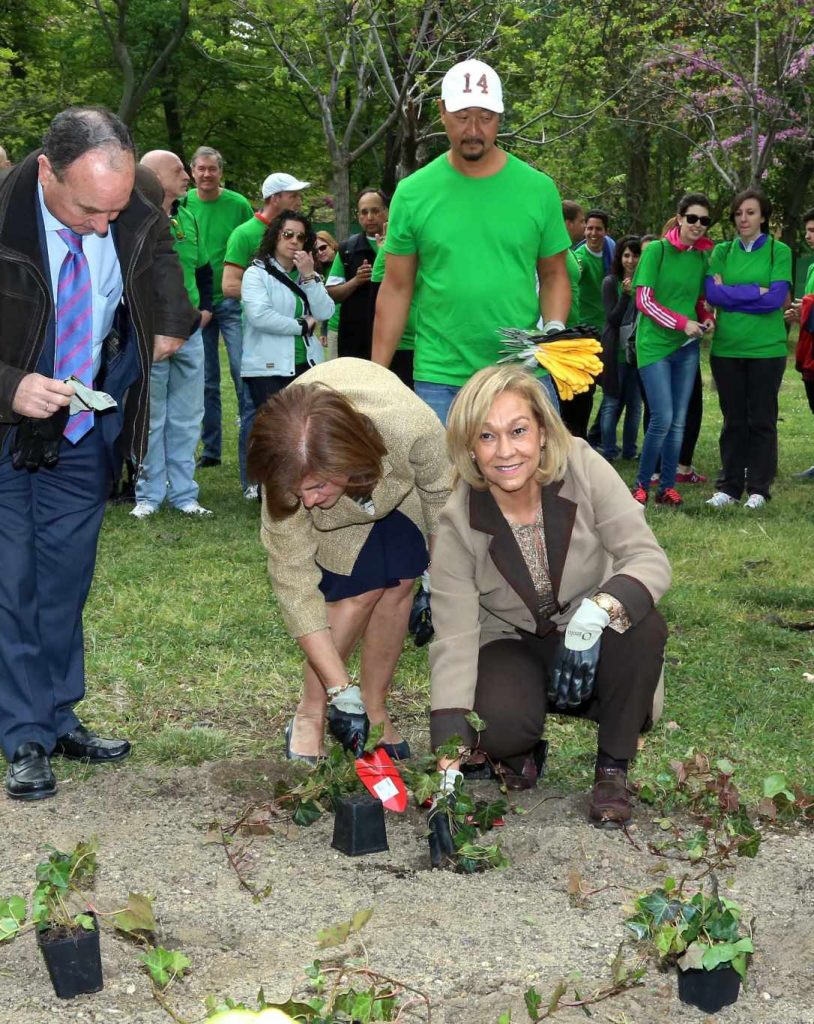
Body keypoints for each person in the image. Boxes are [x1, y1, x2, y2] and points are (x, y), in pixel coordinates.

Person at [0, 107, 194, 800]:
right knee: (11, 580)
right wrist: (12, 385)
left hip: (82, 426)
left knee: (64, 579)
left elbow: (158, 254)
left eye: (115, 211)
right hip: (6, 424)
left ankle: (57, 717)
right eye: (88, 210)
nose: (103, 226)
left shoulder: (126, 204)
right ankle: (22, 732)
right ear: (48, 170)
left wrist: (169, 319)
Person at [428, 365, 670, 827]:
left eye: (518, 431)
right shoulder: (457, 522)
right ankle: (516, 749)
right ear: (469, 450)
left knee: (643, 625)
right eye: (486, 437)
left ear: (541, 432)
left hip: (594, 635)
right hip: (512, 642)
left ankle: (612, 770)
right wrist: (446, 778)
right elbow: (454, 641)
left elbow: (647, 558)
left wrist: (595, 614)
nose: (505, 451)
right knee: (494, 723)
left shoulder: (581, 464)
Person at [246, 358, 452, 762]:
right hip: (344, 509)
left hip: (396, 487)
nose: (306, 501)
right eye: (296, 491)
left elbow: (441, 497)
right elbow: (295, 587)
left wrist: (438, 578)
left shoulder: (412, 428)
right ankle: (312, 711)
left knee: (399, 584)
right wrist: (342, 689)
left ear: (346, 461)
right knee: (356, 592)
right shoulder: (287, 477)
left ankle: (374, 707)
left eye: (317, 487)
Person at [372, 58, 571, 425]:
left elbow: (555, 274)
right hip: (441, 377)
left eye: (486, 116)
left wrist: (554, 330)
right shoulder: (413, 193)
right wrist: (378, 376)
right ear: (442, 111)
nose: (474, 130)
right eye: (462, 117)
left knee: (538, 479)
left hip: (522, 371)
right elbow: (396, 287)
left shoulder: (538, 189)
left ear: (500, 114)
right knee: (443, 482)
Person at [132, 150, 214, 519]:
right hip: (151, 332)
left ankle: (184, 494)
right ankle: (148, 494)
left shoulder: (189, 216)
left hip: (191, 331)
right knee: (151, 414)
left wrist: (206, 309)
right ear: (152, 175)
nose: (187, 175)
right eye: (178, 169)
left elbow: (205, 268)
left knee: (187, 415)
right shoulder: (131, 219)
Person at [704, 188, 792, 509]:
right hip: (727, 349)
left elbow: (775, 301)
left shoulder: (778, 252)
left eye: (751, 212)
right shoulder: (722, 252)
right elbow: (713, 297)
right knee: (733, 420)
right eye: (739, 213)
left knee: (762, 419)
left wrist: (731, 292)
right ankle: (728, 487)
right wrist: (756, 290)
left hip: (766, 351)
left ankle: (758, 488)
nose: (744, 218)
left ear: (763, 217)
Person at [630, 193, 714, 508]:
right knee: (662, 417)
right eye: (692, 218)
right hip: (654, 346)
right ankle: (640, 484)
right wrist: (682, 324)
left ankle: (667, 487)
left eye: (704, 220)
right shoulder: (657, 251)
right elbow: (644, 301)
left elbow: (696, 301)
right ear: (679, 218)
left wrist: (705, 319)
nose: (697, 225)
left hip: (687, 347)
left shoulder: (700, 257)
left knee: (678, 421)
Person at [183, 147, 256, 495]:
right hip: (197, 301)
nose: (207, 174)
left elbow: (250, 244)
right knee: (205, 378)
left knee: (242, 370)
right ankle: (211, 450)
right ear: (192, 172)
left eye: (213, 169)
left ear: (220, 172)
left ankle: (249, 439)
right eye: (201, 169)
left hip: (230, 298)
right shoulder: (184, 205)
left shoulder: (238, 204)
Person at [240, 210, 334, 407]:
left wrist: (309, 277)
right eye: (288, 234)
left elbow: (325, 312)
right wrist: (301, 326)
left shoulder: (308, 274)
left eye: (300, 237)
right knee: (274, 431)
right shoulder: (256, 274)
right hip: (269, 369)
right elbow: (260, 316)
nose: (294, 241)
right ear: (275, 236)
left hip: (307, 364)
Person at [221, 171, 311, 301]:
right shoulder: (243, 234)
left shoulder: (298, 233)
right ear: (275, 199)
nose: (299, 202)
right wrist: (275, 299)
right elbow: (230, 286)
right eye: (293, 196)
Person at [326, 188, 388, 360]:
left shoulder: (402, 245)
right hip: (355, 341)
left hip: (397, 338)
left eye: (375, 211)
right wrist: (355, 281)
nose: (370, 217)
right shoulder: (347, 249)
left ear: (387, 211)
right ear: (358, 216)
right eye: (364, 212)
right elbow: (331, 293)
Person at [598, 235, 643, 461]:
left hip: (637, 353)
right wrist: (625, 296)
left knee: (635, 405)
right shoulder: (610, 282)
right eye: (626, 255)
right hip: (615, 351)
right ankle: (609, 450)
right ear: (620, 257)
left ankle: (629, 450)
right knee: (611, 401)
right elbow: (612, 319)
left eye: (636, 255)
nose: (631, 260)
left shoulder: (645, 283)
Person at [786, 208, 814, 478]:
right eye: (807, 230)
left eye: (813, 230)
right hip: (810, 351)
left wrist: (806, 309)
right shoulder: (812, 268)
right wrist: (799, 314)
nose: (809, 236)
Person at [314, 230, 339, 355]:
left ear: (332, 244)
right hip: (333, 327)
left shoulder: (346, 261)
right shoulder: (320, 272)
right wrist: (324, 330)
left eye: (323, 247)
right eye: (316, 251)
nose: (320, 252)